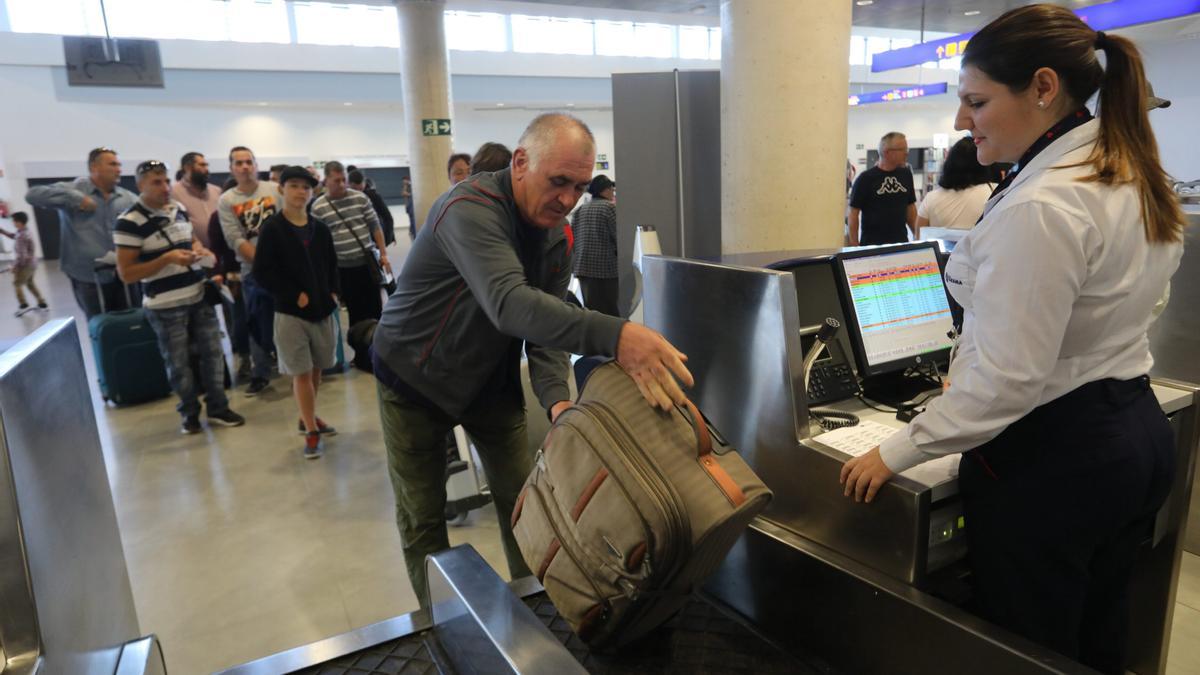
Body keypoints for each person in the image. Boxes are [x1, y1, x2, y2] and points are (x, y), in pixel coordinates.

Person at [840, 6, 1184, 673]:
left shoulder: (1042, 204)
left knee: (1030, 649)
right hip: (1132, 432)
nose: (962, 123)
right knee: (1098, 634)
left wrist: (895, 450)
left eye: (976, 101)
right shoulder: (1125, 173)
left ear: (1044, 88)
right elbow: (1135, 304)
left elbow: (1011, 380)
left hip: (1056, 458)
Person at [372, 112, 694, 605]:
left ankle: (538, 617)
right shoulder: (468, 208)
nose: (567, 199)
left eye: (580, 187)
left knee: (525, 506)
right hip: (414, 381)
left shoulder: (554, 236)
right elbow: (509, 303)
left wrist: (557, 402)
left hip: (488, 384)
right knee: (423, 516)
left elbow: (542, 333)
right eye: (558, 181)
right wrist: (619, 335)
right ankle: (439, 626)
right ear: (521, 162)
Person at [114, 160, 246, 434]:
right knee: (179, 363)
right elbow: (127, 273)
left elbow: (190, 241)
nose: (164, 188)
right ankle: (190, 414)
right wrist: (167, 258)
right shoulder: (129, 222)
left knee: (212, 354)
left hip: (198, 294)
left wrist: (199, 252)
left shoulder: (178, 209)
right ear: (140, 186)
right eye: (156, 183)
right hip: (165, 305)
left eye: (165, 181)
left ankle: (218, 407)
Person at [251, 167, 341, 459]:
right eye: (294, 186)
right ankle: (311, 431)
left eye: (305, 187)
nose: (300, 192)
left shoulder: (320, 228)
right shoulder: (273, 228)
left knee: (316, 369)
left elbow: (331, 265)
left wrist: (332, 294)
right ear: (281, 189)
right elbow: (262, 272)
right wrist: (293, 295)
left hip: (321, 311)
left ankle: (308, 417)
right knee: (301, 372)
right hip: (291, 314)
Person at [25, 147, 139, 318]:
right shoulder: (74, 189)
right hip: (88, 278)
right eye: (113, 164)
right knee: (100, 326)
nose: (119, 169)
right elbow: (32, 195)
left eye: (119, 164)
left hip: (124, 277)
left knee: (133, 323)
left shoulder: (128, 198)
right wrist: (75, 198)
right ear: (94, 168)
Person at [311, 161, 390, 370]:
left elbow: (375, 226)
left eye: (343, 179)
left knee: (376, 309)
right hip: (341, 269)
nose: (342, 184)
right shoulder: (319, 207)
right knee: (355, 312)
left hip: (366, 265)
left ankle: (380, 352)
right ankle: (361, 355)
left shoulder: (360, 198)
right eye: (336, 180)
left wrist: (383, 254)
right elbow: (317, 241)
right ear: (326, 180)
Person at [219, 146, 280, 396]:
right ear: (232, 168)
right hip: (253, 273)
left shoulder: (274, 191)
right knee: (257, 324)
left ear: (256, 165)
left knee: (291, 320)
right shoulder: (227, 201)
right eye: (239, 163)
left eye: (248, 162)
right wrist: (264, 264)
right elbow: (235, 238)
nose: (244, 167)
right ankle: (260, 373)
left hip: (286, 269)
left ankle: (299, 367)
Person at [848, 132, 918, 245]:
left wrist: (918, 236)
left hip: (900, 244)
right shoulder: (865, 179)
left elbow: (910, 207)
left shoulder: (906, 175)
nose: (906, 153)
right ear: (887, 152)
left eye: (907, 149)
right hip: (872, 246)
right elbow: (853, 213)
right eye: (902, 149)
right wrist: (854, 246)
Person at [916, 137, 994, 231]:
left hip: (943, 245)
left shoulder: (931, 198)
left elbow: (919, 236)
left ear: (949, 163)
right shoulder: (994, 192)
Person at [572, 174, 620, 317]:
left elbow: (573, 238)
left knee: (591, 310)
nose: (613, 192)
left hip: (583, 267)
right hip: (607, 269)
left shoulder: (580, 210)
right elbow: (618, 237)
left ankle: (594, 338)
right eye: (611, 189)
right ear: (604, 190)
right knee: (610, 310)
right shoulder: (609, 208)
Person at [171, 152, 222, 248]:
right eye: (202, 165)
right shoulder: (173, 193)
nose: (206, 169)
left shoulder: (217, 191)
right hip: (192, 254)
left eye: (207, 165)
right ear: (187, 167)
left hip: (219, 252)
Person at [2, 212, 48, 313]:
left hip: (25, 265)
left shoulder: (21, 236)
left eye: (14, 221)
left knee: (17, 283)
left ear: (19, 222)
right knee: (30, 283)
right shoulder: (25, 231)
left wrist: (14, 267)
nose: (13, 223)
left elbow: (21, 256)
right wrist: (3, 232)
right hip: (32, 264)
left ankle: (23, 305)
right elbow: (15, 236)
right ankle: (42, 303)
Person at [348, 169, 395, 247]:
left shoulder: (373, 196)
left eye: (360, 189)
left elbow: (388, 218)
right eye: (355, 190)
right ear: (349, 184)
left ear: (364, 182)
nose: (358, 193)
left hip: (374, 241)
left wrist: (386, 241)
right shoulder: (346, 199)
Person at [400, 175, 416, 240]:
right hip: (407, 206)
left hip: (411, 206)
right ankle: (412, 231)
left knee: (412, 220)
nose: (403, 182)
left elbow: (412, 194)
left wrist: (408, 193)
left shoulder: (412, 185)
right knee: (410, 219)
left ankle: (413, 232)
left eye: (405, 180)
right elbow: (403, 193)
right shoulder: (405, 186)